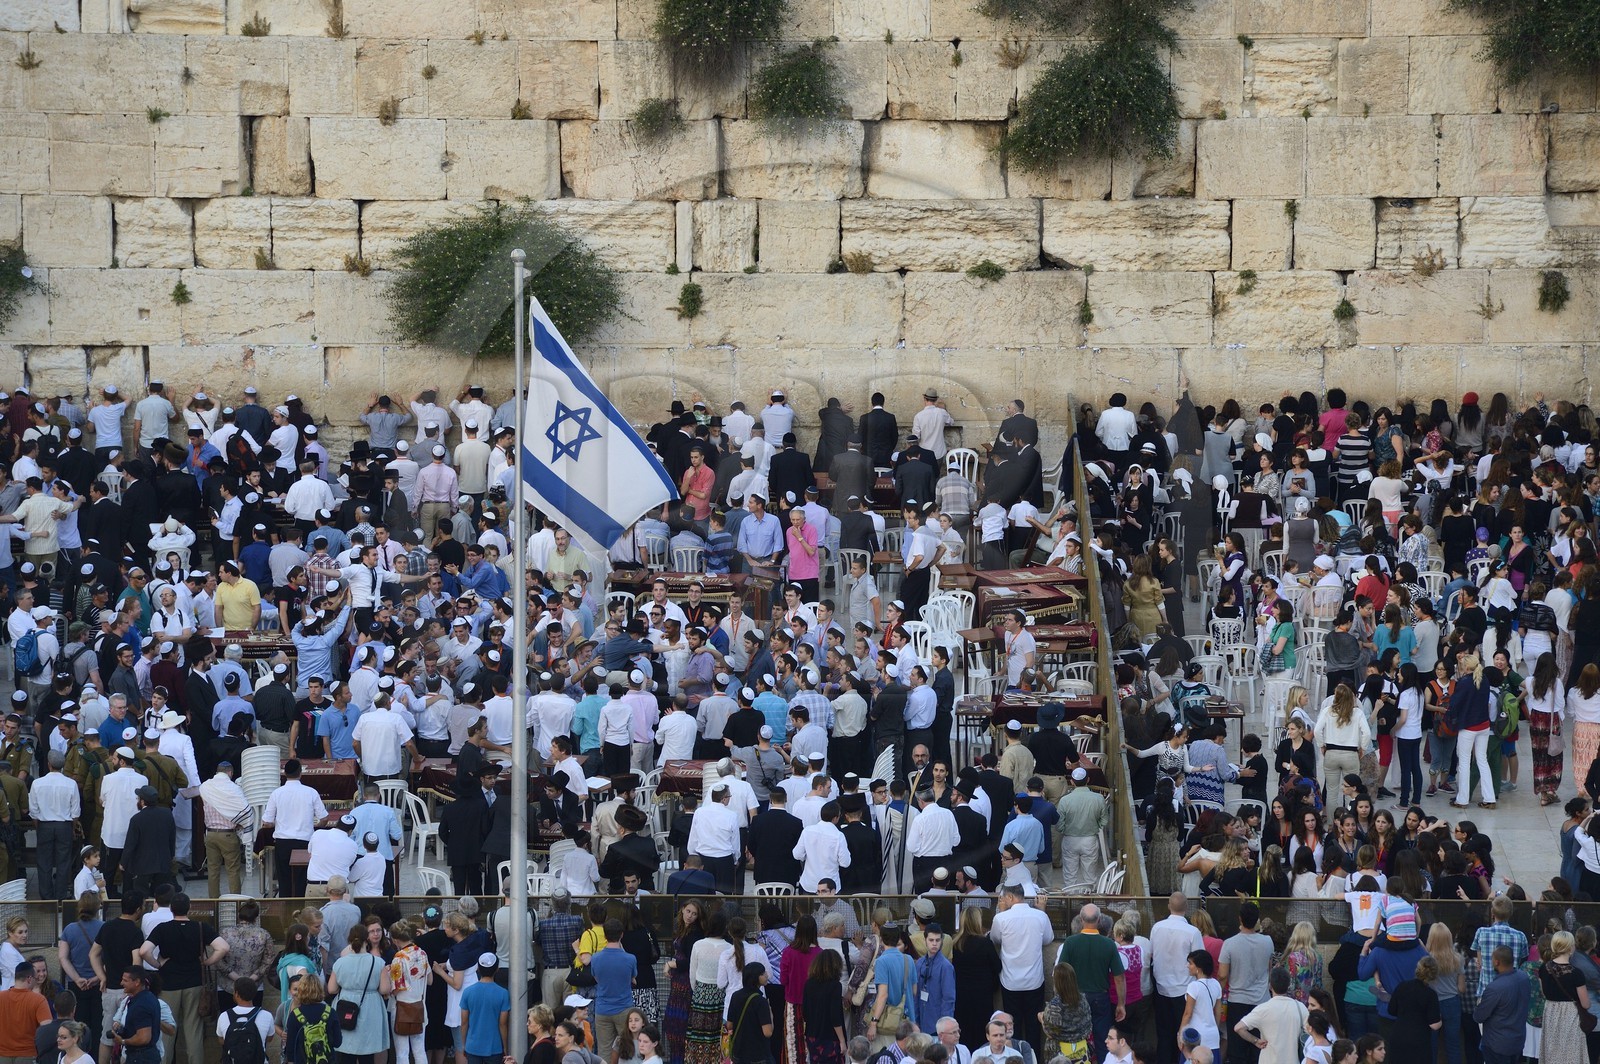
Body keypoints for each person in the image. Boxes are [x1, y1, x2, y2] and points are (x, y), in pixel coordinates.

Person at [989, 885, 1054, 1053]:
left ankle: (1014, 1058)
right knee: (1034, 1027)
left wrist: (1000, 912)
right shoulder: (1040, 916)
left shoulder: (1001, 918)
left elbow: (994, 939)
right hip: (1034, 980)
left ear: (1010, 897)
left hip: (1010, 981)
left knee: (1011, 1028)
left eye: (1003, 898)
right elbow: (1048, 939)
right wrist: (1042, 911)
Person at [1056, 903, 1126, 1052]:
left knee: (1076, 1039)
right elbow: (1119, 977)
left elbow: (1061, 973)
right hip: (1100, 998)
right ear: (1099, 920)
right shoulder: (1109, 944)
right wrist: (1121, 1003)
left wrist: (1060, 999)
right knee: (1103, 1042)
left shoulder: (1070, 942)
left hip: (1074, 998)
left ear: (1081, 919)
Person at [328, 929, 394, 1064]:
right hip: (370, 1006)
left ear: (350, 941)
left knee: (345, 1051)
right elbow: (384, 989)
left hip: (344, 1005)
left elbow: (332, 989)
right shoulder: (377, 962)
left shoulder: (340, 962)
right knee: (367, 1052)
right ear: (367, 940)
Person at [1231, 970, 1307, 1064]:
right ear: (1289, 986)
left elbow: (1238, 1028)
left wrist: (1255, 1041)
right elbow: (1310, 1032)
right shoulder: (1300, 1007)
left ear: (1270, 986)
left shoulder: (1262, 1009)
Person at [1472, 947, 1528, 1064]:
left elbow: (1479, 1016)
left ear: (1497, 962)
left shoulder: (1495, 988)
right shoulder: (1523, 977)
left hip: (1497, 1045)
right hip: (1517, 1041)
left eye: (1492, 959)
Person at [461, 954, 512, 1064]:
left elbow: (464, 1021)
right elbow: (503, 1024)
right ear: (497, 969)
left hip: (472, 1046)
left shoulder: (468, 992)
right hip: (495, 1047)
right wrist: (505, 1047)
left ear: (478, 968)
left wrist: (464, 1044)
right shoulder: (503, 993)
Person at [1041, 961, 1093, 1064]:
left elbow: (1051, 1033)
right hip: (1081, 1050)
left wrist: (1042, 1018)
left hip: (1058, 1054)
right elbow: (1088, 1026)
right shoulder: (1083, 1000)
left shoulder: (1054, 1005)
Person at [726, 963, 774, 1064]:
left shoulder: (735, 996)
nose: (766, 975)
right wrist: (770, 1014)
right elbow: (768, 1032)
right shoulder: (761, 1001)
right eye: (762, 973)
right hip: (758, 1054)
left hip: (738, 1052)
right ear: (755, 978)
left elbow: (729, 1025)